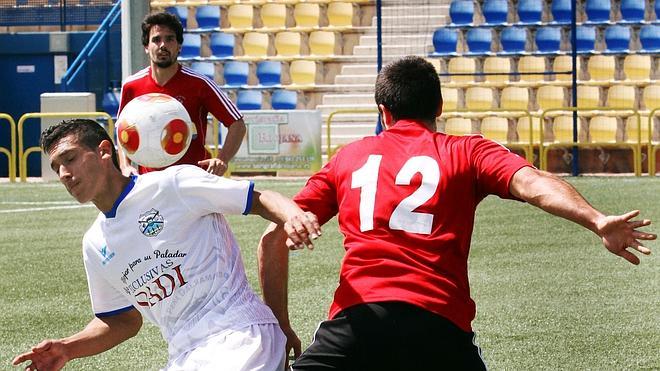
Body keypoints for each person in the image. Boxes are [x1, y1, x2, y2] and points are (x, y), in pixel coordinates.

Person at [257, 56, 656, 370]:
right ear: (440, 106)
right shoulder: (468, 151)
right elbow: (533, 184)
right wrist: (596, 219)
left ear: (384, 111)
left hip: (356, 324)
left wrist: (281, 326)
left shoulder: (350, 157)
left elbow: (272, 237)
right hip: (438, 322)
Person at [12, 119, 321, 371]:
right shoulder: (95, 243)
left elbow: (258, 198)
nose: (65, 174)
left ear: (104, 151)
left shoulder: (173, 184)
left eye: (70, 159)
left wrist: (293, 214)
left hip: (240, 336)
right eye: (56, 168)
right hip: (185, 355)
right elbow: (121, 320)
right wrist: (68, 348)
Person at [118, 11, 246, 176]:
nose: (163, 45)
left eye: (169, 39)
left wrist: (222, 159)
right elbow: (122, 130)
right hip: (149, 181)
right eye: (156, 40)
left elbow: (237, 124)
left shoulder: (200, 84)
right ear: (146, 47)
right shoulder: (131, 86)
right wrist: (125, 165)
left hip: (193, 179)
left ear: (179, 46)